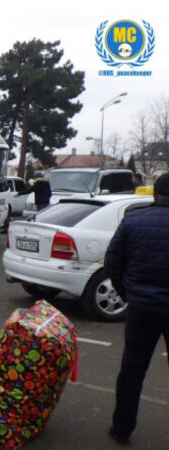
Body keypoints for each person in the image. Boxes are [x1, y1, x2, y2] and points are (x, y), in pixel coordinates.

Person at [104, 172, 169, 445]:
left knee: (132, 370)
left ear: (154, 194)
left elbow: (112, 263)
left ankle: (121, 429)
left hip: (141, 308)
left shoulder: (132, 221)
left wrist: (127, 293)